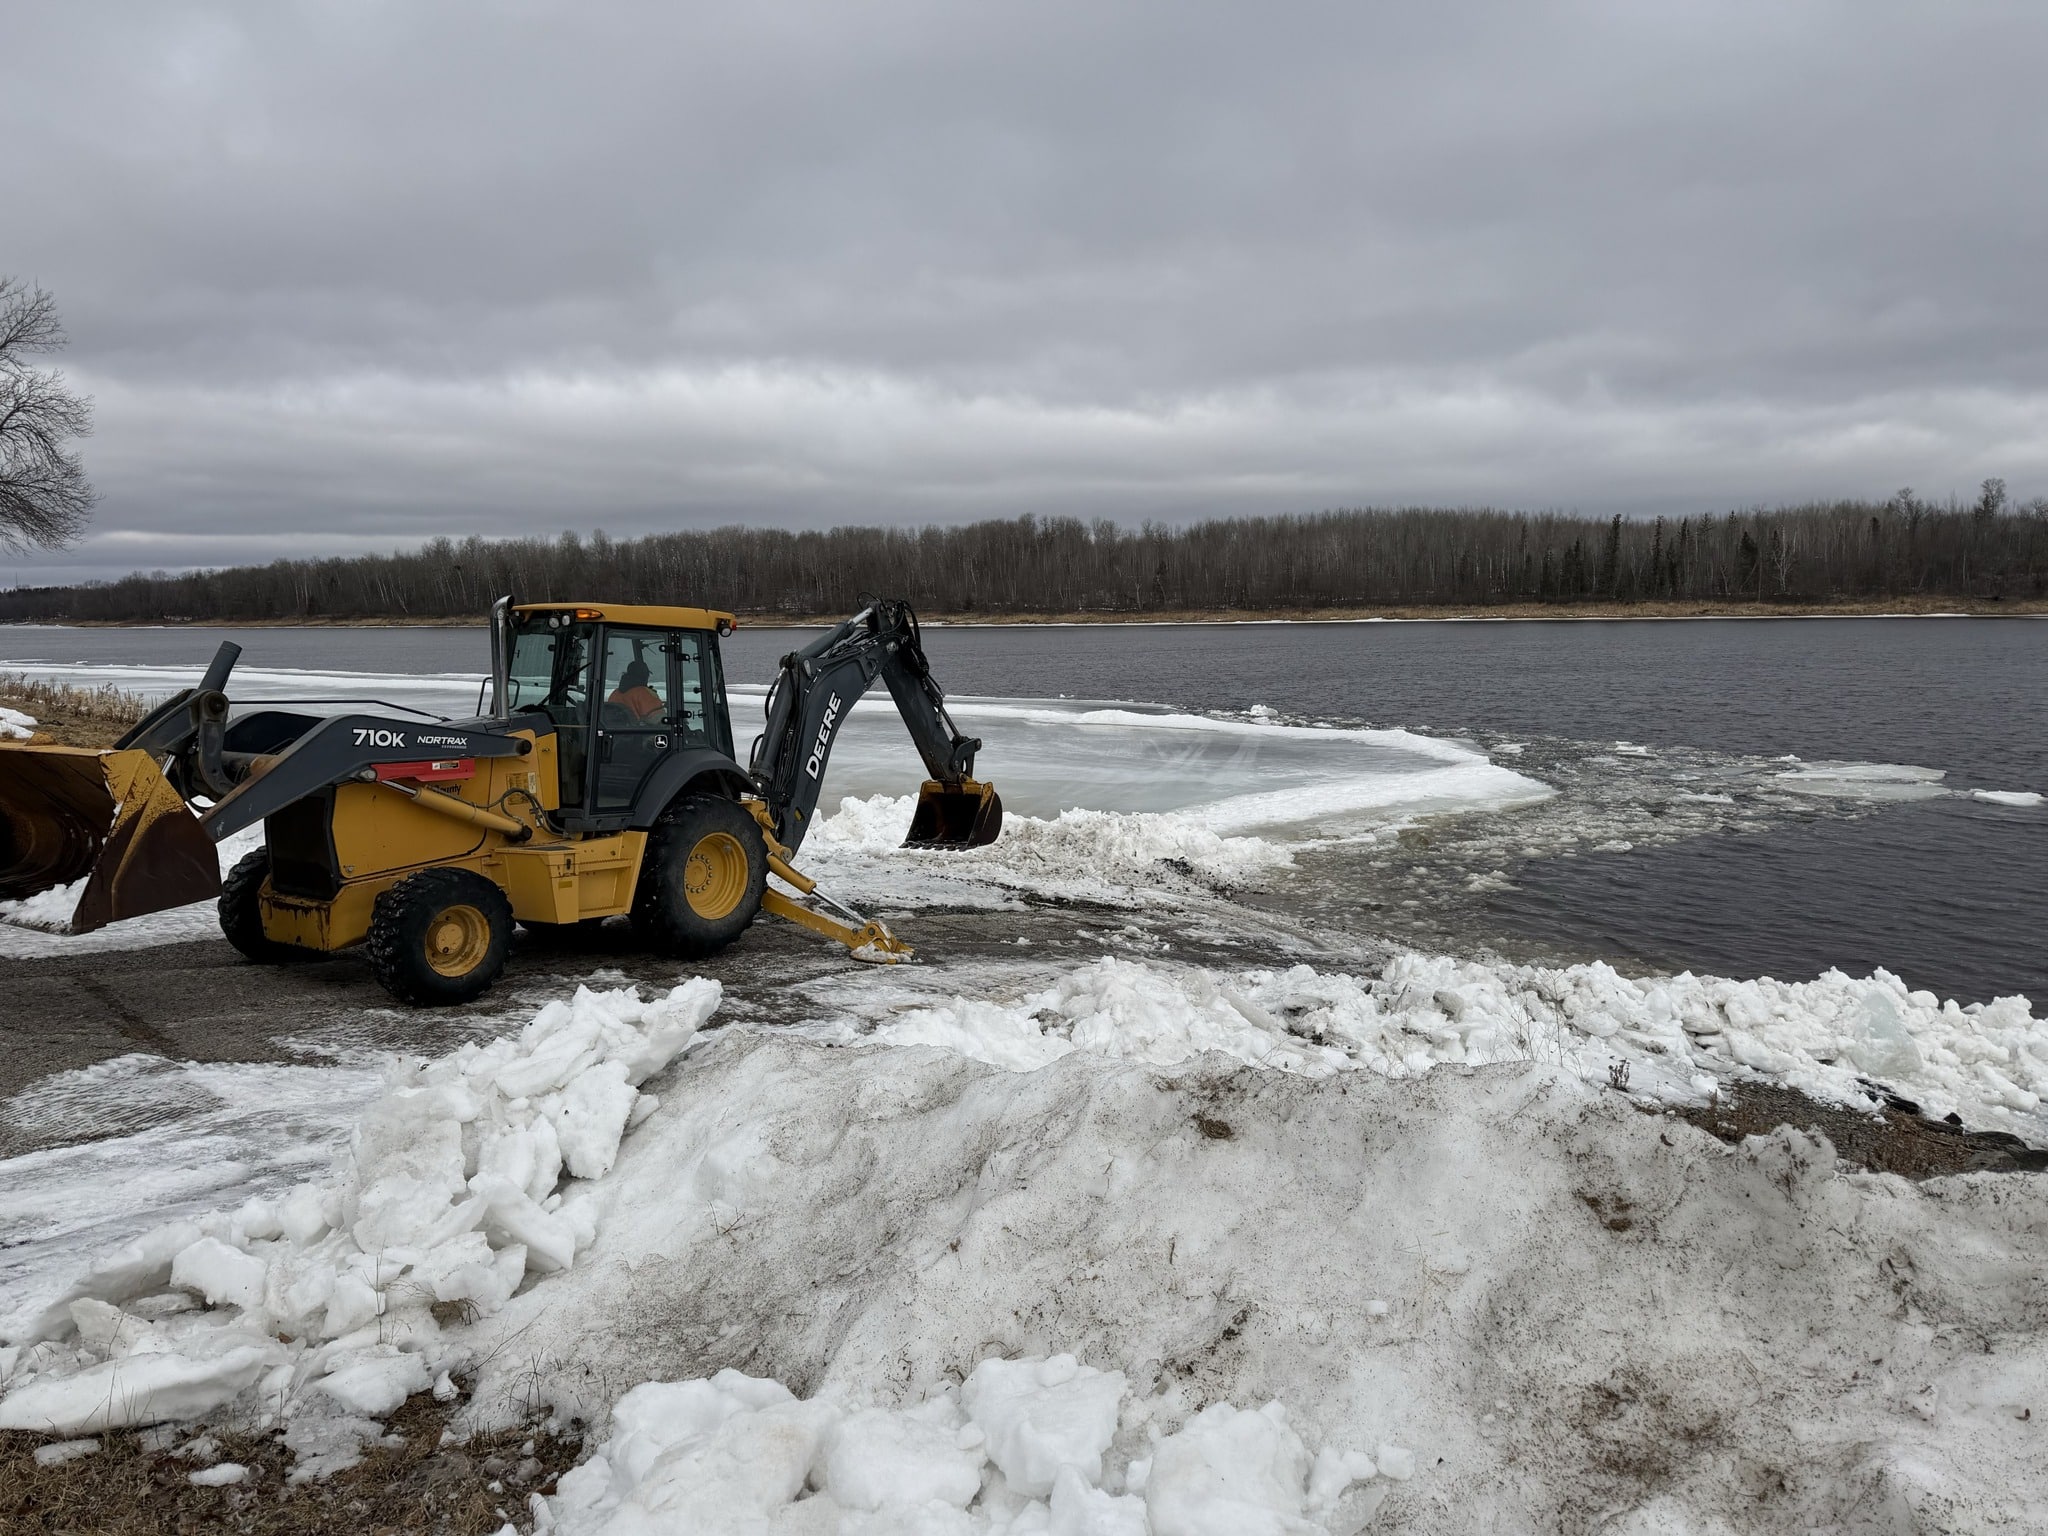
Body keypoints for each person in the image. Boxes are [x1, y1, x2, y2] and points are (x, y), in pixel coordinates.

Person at [607, 658, 664, 722]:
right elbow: (659, 720)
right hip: (638, 731)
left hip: (615, 730)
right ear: (645, 676)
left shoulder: (615, 693)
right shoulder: (645, 694)